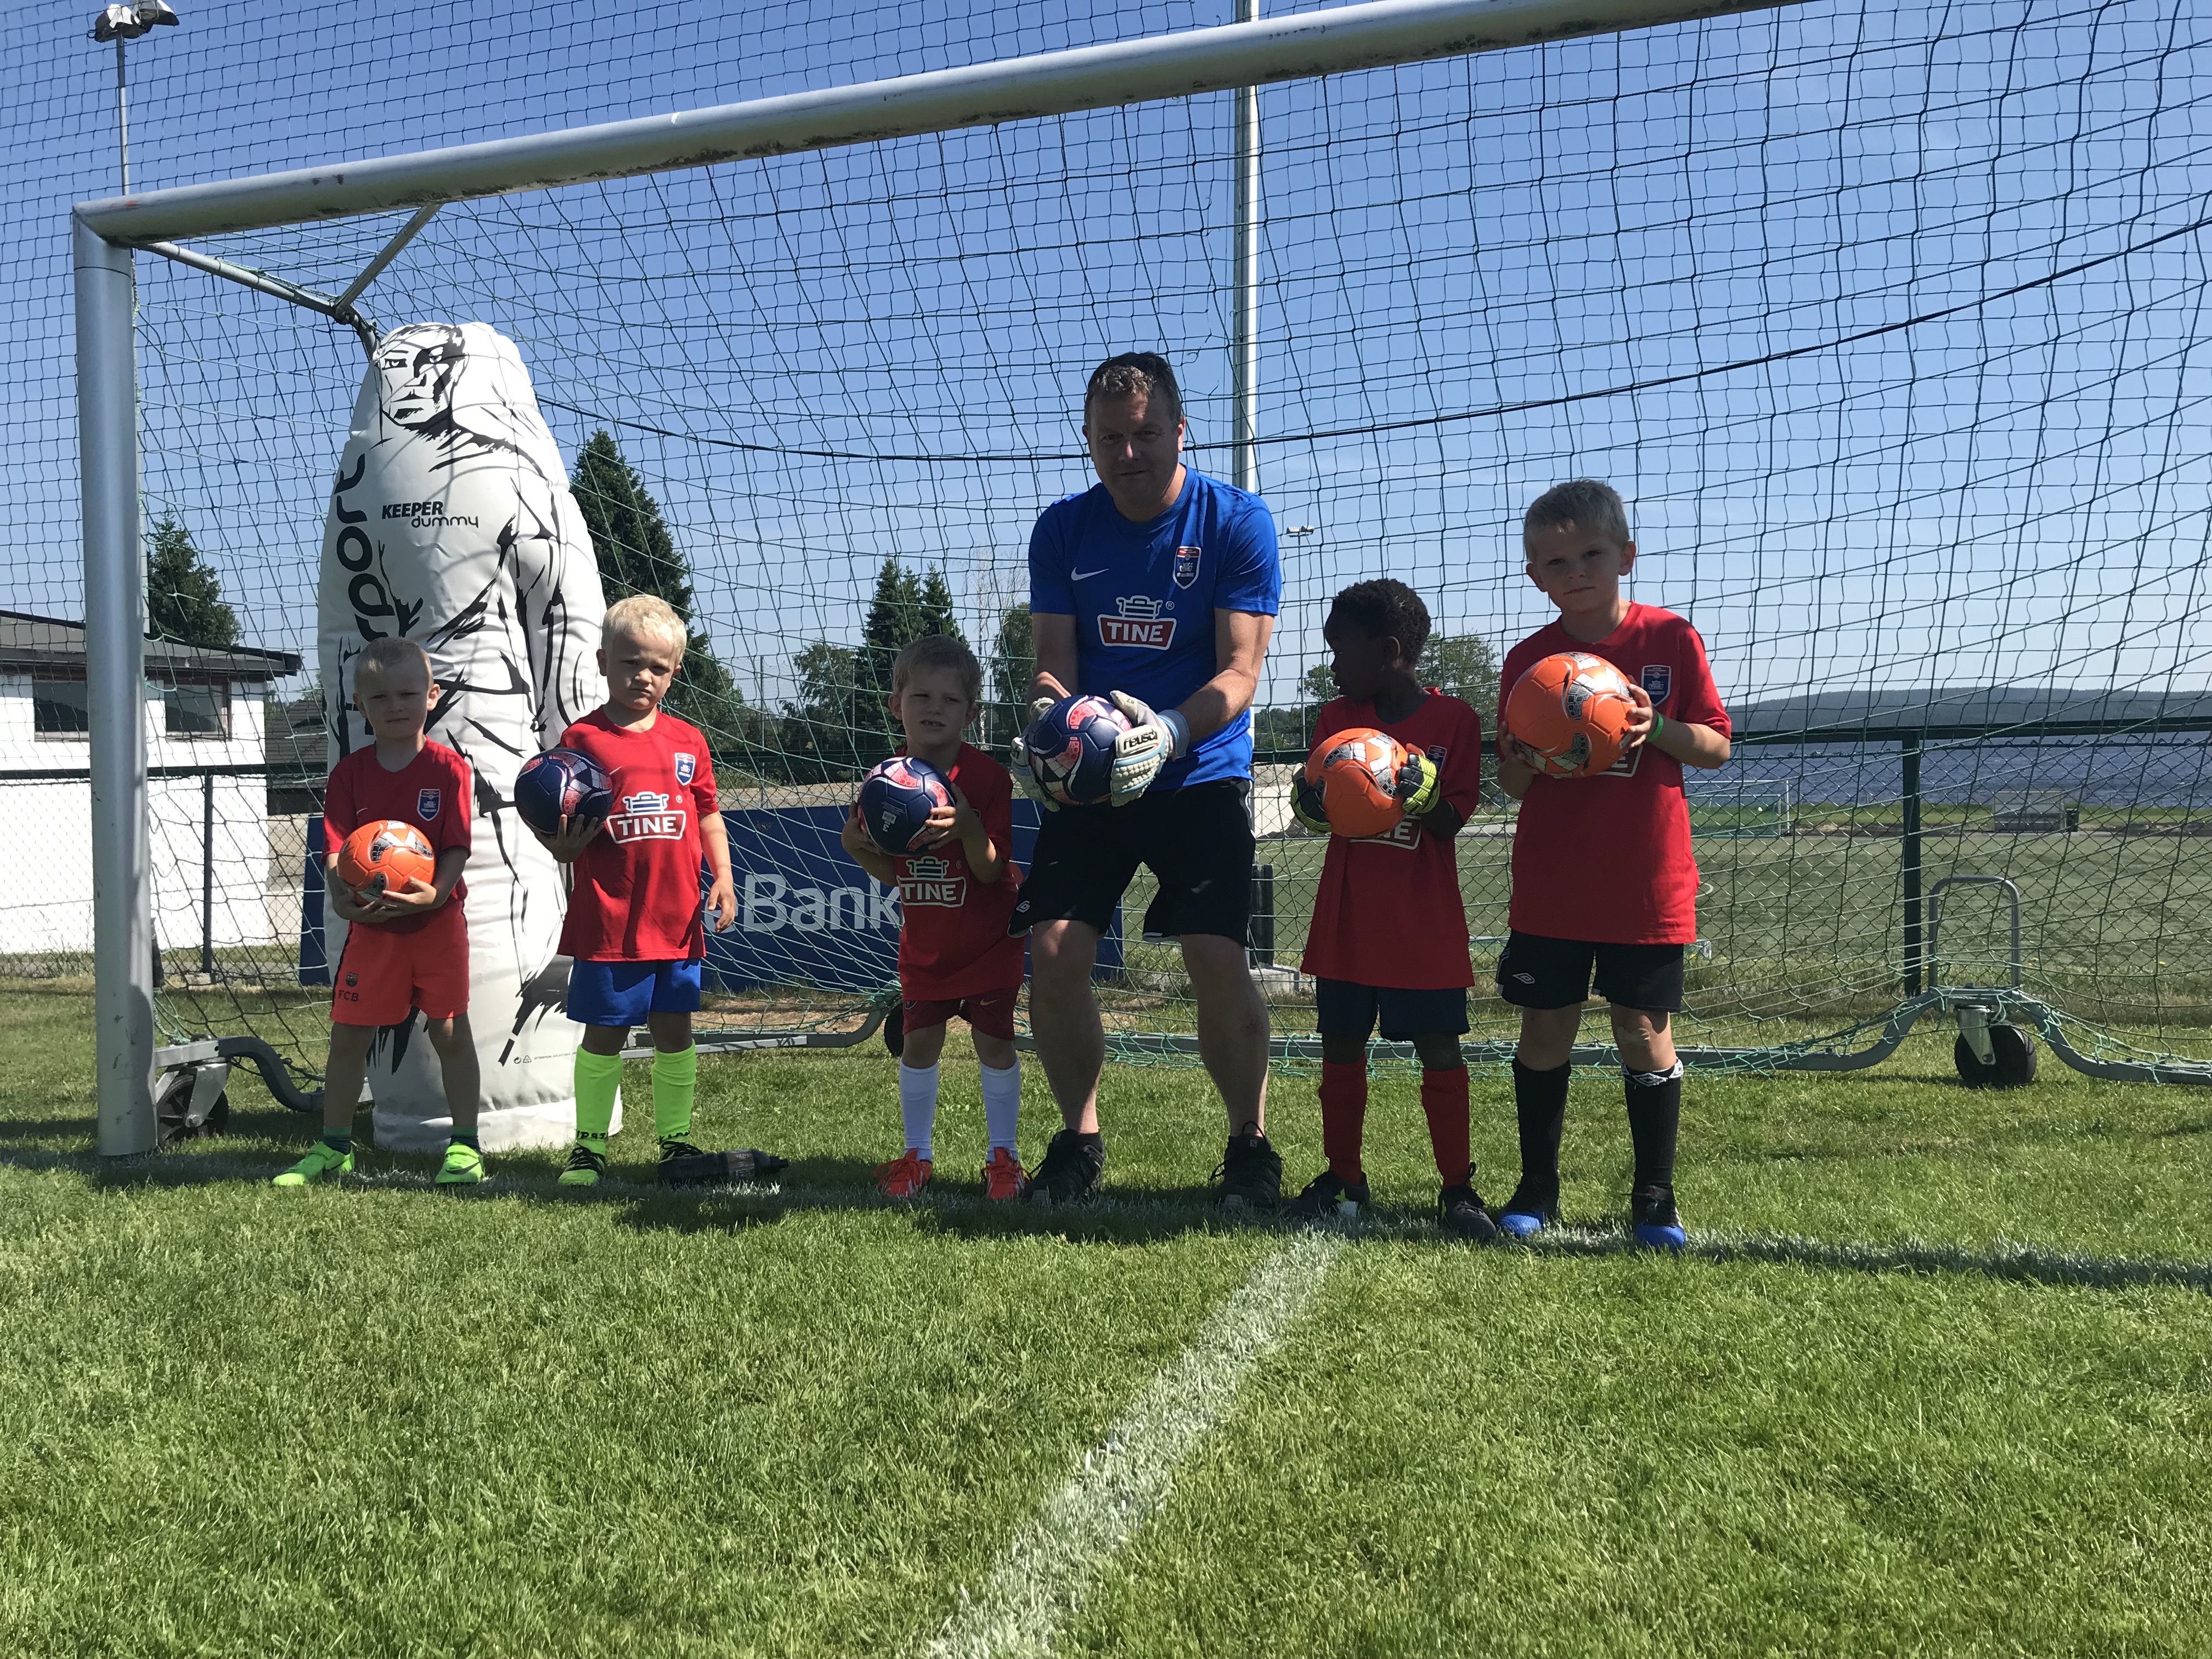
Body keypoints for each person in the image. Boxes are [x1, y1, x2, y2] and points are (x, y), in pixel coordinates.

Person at [1009, 351, 1284, 1208]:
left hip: (1197, 769)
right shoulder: (1063, 529)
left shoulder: (1237, 522)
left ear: (1179, 430)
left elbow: (1243, 672)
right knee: (1052, 953)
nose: (1129, 453)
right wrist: (1052, 729)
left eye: (1146, 434)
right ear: (1089, 441)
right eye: (1110, 438)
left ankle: (1249, 1145)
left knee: (1214, 954)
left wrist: (1165, 732)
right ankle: (1079, 1141)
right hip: (1095, 780)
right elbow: (1053, 665)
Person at [1493, 479, 1731, 1249]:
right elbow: (1513, 780)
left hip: (1645, 883)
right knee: (1545, 1032)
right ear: (1535, 577)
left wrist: (1651, 723)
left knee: (1642, 1031)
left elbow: (1718, 746)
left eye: (1592, 554)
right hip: (1555, 885)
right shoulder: (1530, 662)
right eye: (1555, 561)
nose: (1576, 571)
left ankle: (1655, 1198)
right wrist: (1536, 755)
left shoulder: (1670, 640)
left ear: (1626, 556)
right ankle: (1537, 1186)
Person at [1288, 579, 1497, 1239]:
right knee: (1341, 1047)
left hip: (1423, 923)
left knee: (1439, 1048)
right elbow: (1317, 809)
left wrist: (1426, 793)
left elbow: (1451, 820)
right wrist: (1311, 804)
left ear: (1390, 651)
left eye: (1339, 649)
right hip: (1347, 919)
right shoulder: (1334, 721)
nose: (1331, 664)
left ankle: (1458, 1189)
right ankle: (1344, 1177)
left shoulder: (1455, 722)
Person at [535, 594, 753, 1186]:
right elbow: (556, 818)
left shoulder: (689, 742)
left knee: (675, 1031)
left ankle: (676, 1144)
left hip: (676, 919)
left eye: (657, 667)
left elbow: (709, 815)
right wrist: (562, 848)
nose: (643, 676)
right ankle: (589, 1148)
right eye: (631, 663)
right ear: (604, 662)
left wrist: (725, 877)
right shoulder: (582, 741)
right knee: (604, 1033)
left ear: (674, 672)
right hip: (611, 921)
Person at [275, 637, 482, 1186]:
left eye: (408, 693)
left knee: (450, 1031)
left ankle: (465, 1147)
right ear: (360, 706)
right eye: (380, 696)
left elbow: (458, 846)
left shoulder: (450, 771)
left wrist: (436, 893)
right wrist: (343, 897)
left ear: (432, 696)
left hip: (436, 926)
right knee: (348, 1038)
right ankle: (334, 1147)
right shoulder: (349, 775)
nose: (396, 705)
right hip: (373, 930)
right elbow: (338, 851)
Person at [840, 635, 1029, 1201]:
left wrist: (969, 825)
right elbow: (900, 876)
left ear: (971, 713)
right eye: (920, 696)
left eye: (950, 700)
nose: (933, 709)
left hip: (987, 944)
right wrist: (859, 849)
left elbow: (993, 872)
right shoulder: (883, 784)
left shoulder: (990, 780)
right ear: (896, 705)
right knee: (919, 1045)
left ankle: (1005, 1158)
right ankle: (916, 1156)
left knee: (994, 1046)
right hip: (925, 946)